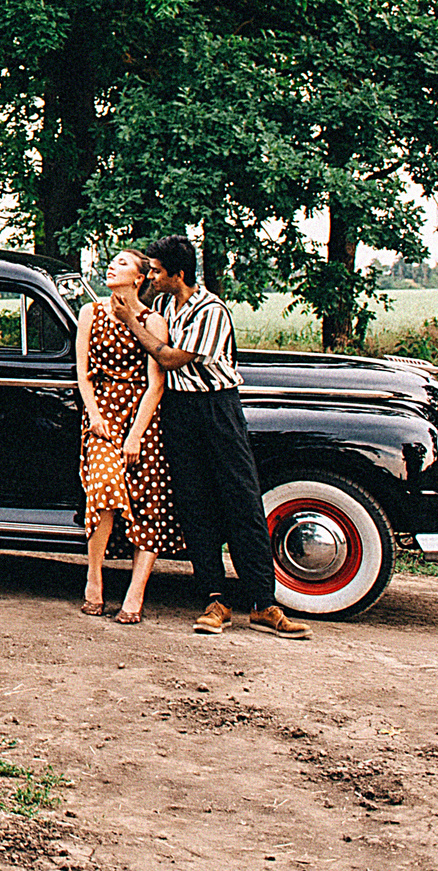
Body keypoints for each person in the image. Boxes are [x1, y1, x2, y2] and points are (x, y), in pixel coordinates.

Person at [121, 236, 310, 638]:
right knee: (196, 505)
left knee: (241, 502)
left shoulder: (212, 311)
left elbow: (171, 358)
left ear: (179, 274)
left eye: (156, 271)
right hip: (180, 412)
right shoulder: (163, 306)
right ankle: (214, 599)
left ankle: (263, 603)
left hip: (217, 408)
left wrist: (132, 327)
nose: (151, 277)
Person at [75, 248, 178, 622]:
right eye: (112, 261)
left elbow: (155, 385)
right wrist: (95, 417)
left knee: (150, 498)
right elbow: (82, 374)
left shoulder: (153, 321)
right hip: (102, 413)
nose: (111, 267)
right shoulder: (91, 312)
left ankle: (136, 592)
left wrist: (135, 435)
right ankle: (94, 576)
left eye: (122, 264)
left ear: (138, 278)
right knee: (104, 486)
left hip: (141, 416)